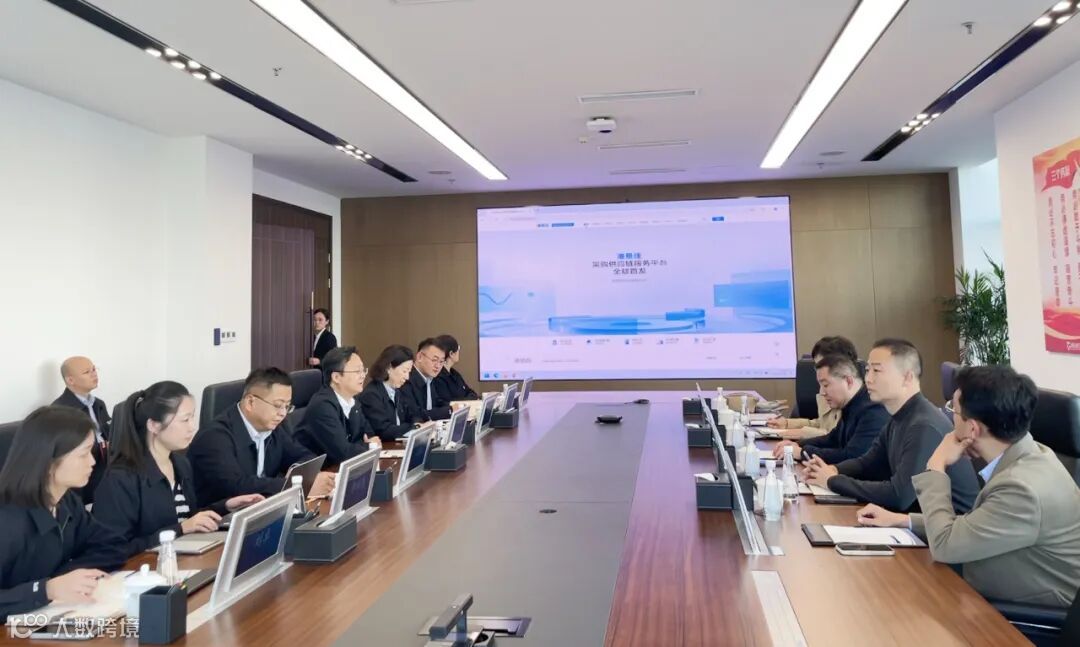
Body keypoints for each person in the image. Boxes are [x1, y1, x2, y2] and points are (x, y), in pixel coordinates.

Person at [857, 365, 1080, 608]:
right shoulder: (1031, 454)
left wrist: (936, 465)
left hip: (1029, 615)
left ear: (972, 428)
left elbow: (945, 545)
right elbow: (976, 525)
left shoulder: (1022, 489)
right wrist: (903, 521)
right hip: (989, 586)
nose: (949, 417)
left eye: (952, 409)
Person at [803, 339, 979, 512]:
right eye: (867, 370)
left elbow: (899, 496)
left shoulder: (923, 425)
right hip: (917, 519)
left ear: (907, 377)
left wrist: (832, 480)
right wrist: (832, 469)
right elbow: (867, 463)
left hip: (945, 527)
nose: (868, 379)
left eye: (877, 371)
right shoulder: (899, 417)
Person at [92, 382, 263, 557]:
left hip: (180, 560)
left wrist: (225, 506)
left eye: (192, 418)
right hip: (145, 568)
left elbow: (185, 517)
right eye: (185, 420)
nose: (192, 427)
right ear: (154, 425)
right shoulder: (121, 478)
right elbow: (111, 549)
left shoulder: (180, 464)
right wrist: (180, 529)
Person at [0, 407, 127, 621]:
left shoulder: (65, 501)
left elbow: (112, 545)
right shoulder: (7, 519)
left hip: (46, 619)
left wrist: (66, 577)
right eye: (83, 454)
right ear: (49, 462)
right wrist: (47, 589)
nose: (92, 462)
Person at [187, 368, 335, 505]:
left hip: (261, 509)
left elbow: (304, 456)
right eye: (278, 405)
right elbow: (236, 486)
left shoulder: (272, 427)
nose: (283, 413)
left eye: (287, 406)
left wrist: (299, 474)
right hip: (219, 518)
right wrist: (296, 485)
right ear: (250, 402)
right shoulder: (214, 437)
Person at [772, 354, 889, 464]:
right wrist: (798, 445)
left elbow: (852, 456)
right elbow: (832, 439)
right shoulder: (852, 405)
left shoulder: (872, 410)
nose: (822, 392)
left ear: (848, 381)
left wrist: (802, 453)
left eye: (826, 385)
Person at [295, 347, 381, 466]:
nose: (363, 376)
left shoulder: (353, 401)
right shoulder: (322, 406)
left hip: (341, 469)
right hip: (320, 472)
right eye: (357, 371)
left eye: (363, 370)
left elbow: (370, 434)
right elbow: (343, 453)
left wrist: (363, 445)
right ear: (336, 377)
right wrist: (368, 446)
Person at [767, 336, 858, 439]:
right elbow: (821, 424)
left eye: (822, 365)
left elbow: (836, 437)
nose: (818, 370)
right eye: (817, 365)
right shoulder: (827, 390)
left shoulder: (857, 403)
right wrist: (787, 424)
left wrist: (801, 433)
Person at [51, 356, 111, 504]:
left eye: (94, 369)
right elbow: (66, 451)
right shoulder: (60, 410)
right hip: (86, 466)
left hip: (106, 461)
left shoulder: (98, 404)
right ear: (71, 380)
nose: (94, 374)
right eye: (86, 372)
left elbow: (108, 432)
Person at [360, 345, 425, 443]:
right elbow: (384, 430)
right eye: (404, 371)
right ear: (389, 368)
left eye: (409, 372)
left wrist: (416, 423)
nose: (407, 377)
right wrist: (414, 427)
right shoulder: (371, 395)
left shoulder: (398, 390)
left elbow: (413, 414)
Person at [401, 338, 453, 421]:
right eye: (434, 360)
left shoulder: (429, 377)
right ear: (420, 357)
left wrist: (453, 406)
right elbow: (415, 414)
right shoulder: (405, 379)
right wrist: (448, 410)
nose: (438, 366)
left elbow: (436, 402)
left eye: (441, 362)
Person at [432, 335, 479, 402]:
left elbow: (470, 392)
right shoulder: (438, 377)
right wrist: (470, 398)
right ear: (451, 353)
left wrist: (471, 397)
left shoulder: (454, 373)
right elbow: (448, 401)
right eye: (458, 348)